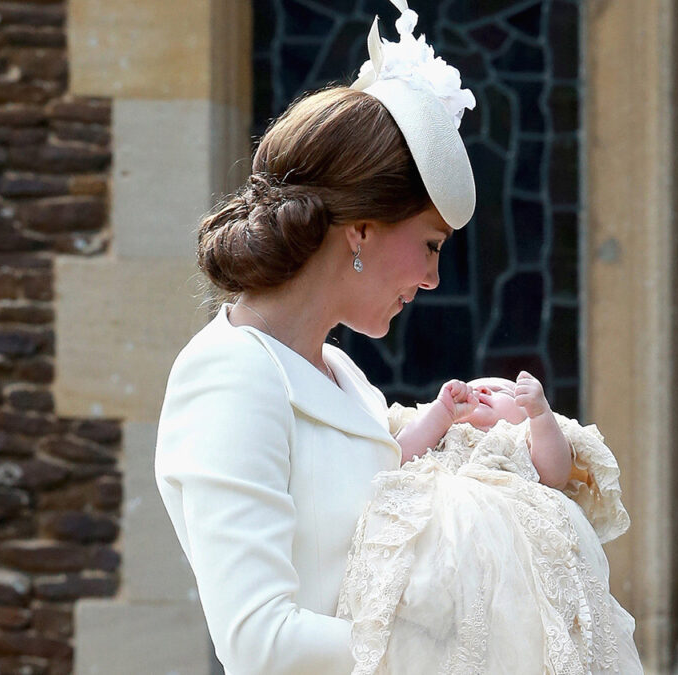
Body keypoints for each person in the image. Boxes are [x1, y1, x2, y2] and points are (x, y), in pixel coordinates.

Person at [154, 2, 480, 673]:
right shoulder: (231, 375)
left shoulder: (340, 371)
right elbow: (260, 641)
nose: (431, 277)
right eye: (428, 245)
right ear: (359, 229)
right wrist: (456, 652)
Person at [337, 373, 642, 674]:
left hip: (505, 557)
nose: (481, 389)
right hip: (439, 551)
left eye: (500, 391)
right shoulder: (442, 434)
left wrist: (539, 414)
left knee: (513, 628)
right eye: (472, 388)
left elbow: (555, 475)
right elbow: (396, 456)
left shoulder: (519, 437)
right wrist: (440, 414)